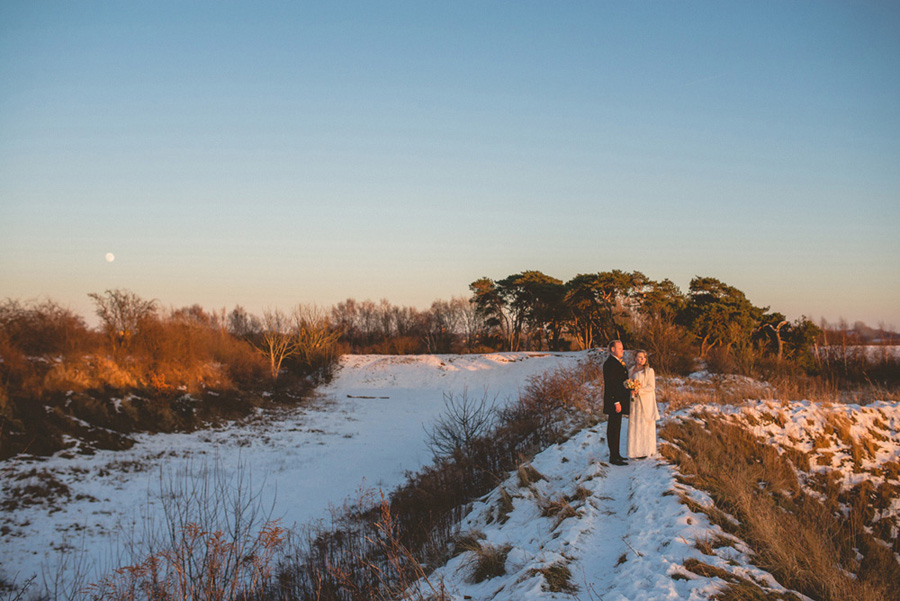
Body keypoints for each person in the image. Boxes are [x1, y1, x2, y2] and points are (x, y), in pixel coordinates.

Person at [627, 350, 659, 459]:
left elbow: (651, 387)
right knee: (635, 424)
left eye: (642, 358)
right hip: (634, 401)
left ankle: (646, 450)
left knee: (645, 424)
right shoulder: (632, 370)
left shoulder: (649, 371)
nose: (640, 359)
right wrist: (628, 386)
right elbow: (627, 381)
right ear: (635, 358)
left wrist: (639, 390)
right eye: (638, 357)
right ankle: (635, 451)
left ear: (645, 359)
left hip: (645, 400)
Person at [602, 339, 630, 465]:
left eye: (622, 348)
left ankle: (617, 454)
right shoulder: (610, 364)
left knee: (616, 427)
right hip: (614, 401)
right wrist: (616, 401)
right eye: (619, 348)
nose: (622, 350)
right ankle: (613, 457)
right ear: (612, 349)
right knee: (613, 428)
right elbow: (611, 384)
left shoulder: (617, 362)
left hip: (619, 401)